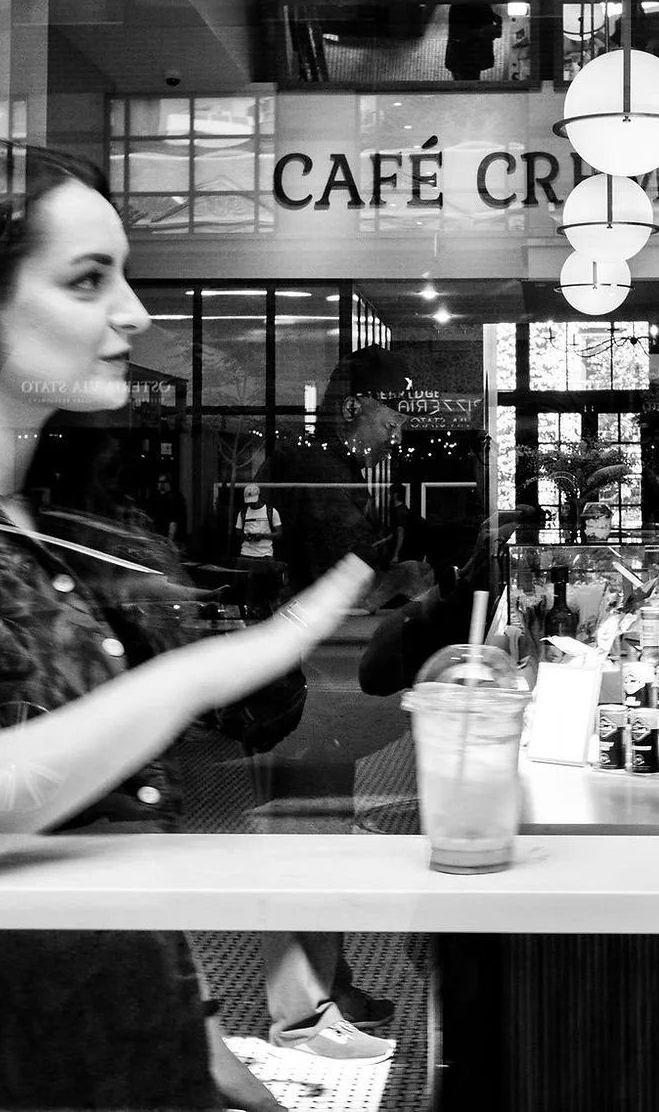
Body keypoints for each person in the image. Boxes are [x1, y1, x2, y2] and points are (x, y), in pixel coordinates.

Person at [0, 146, 371, 1112]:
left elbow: (109, 835)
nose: (134, 313)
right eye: (89, 280)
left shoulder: (77, 523)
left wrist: (211, 1057)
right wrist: (192, 675)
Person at [243, 344, 433, 1063]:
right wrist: (402, 571)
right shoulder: (320, 471)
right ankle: (300, 1017)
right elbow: (350, 574)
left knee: (320, 830)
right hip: (300, 679)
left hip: (311, 674)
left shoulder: (325, 466)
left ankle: (332, 985)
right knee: (303, 838)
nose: (397, 430)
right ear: (358, 406)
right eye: (392, 413)